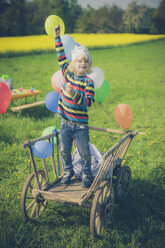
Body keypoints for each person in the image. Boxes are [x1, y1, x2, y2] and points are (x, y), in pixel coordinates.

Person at [54, 24, 95, 188]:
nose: (83, 64)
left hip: (80, 125)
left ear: (88, 64)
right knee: (64, 150)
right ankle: (68, 171)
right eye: (79, 61)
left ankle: (86, 173)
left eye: (86, 61)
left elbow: (89, 101)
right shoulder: (67, 73)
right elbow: (60, 56)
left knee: (84, 151)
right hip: (65, 122)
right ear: (73, 63)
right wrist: (57, 36)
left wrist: (74, 95)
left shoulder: (88, 81)